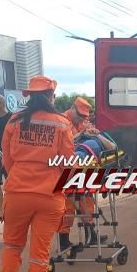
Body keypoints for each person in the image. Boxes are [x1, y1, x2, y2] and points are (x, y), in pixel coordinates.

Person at [0, 76, 74, 272]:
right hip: (49, 196)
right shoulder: (62, 123)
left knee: (12, 246)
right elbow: (67, 163)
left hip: (18, 192)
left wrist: (18, 175)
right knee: (40, 254)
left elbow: (6, 157)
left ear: (29, 96)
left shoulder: (15, 120)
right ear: (51, 96)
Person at [58, 97, 114, 248]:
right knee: (67, 205)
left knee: (86, 201)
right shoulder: (62, 121)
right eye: (80, 115)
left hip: (81, 167)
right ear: (72, 108)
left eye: (85, 116)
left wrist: (91, 132)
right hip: (65, 168)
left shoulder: (81, 122)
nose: (82, 118)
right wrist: (83, 135)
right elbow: (64, 143)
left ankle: (92, 234)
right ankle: (63, 241)